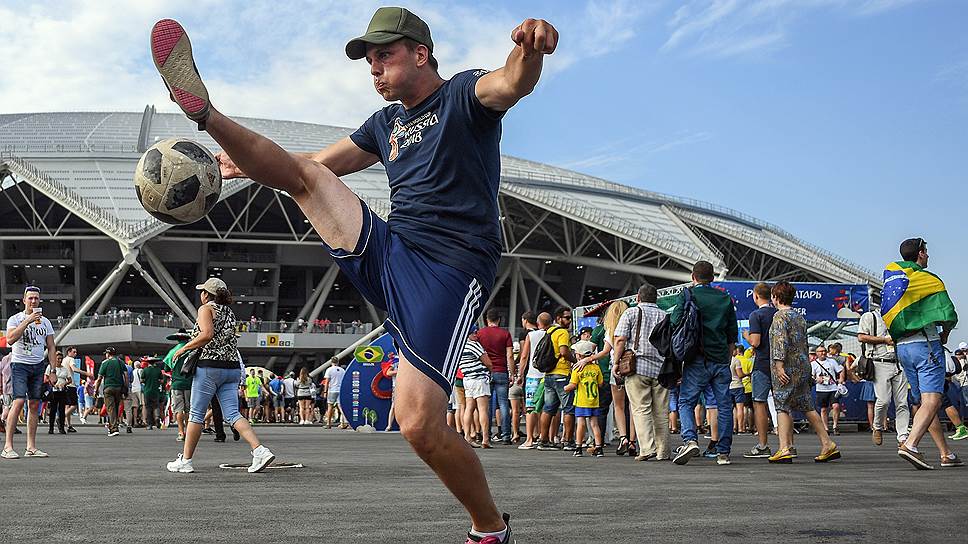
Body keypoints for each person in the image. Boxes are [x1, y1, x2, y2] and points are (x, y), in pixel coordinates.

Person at [152, 7, 557, 539]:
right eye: (369, 61)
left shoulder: (462, 94)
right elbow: (317, 164)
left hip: (450, 269)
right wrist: (240, 161)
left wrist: (529, 50)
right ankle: (208, 114)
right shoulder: (385, 124)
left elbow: (510, 83)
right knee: (306, 178)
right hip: (392, 250)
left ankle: (489, 527)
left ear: (420, 54)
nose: (374, 69)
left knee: (419, 427)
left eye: (383, 56)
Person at [166, 278, 274, 473]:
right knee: (232, 413)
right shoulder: (230, 313)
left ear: (207, 294)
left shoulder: (206, 309)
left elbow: (206, 334)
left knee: (197, 414)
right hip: (231, 368)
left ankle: (186, 460)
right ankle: (259, 450)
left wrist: (183, 349)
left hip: (209, 367)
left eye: (202, 292)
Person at [884, 238, 962, 469]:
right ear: (920, 253)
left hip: (903, 347)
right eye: (926, 252)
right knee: (933, 399)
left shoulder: (894, 277)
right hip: (926, 345)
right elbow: (948, 313)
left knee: (923, 402)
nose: (928, 256)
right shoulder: (928, 280)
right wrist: (946, 332)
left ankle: (945, 453)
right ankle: (910, 444)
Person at [670, 262, 738, 466]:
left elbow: (675, 321)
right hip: (720, 359)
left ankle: (690, 440)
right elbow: (732, 333)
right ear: (712, 278)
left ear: (693, 277)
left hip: (697, 358)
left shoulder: (688, 295)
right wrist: (727, 358)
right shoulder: (724, 297)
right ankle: (723, 452)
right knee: (724, 405)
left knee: (686, 401)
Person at [766, 281, 841, 463]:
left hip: (787, 367)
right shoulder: (799, 317)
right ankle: (827, 443)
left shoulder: (779, 317)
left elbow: (780, 342)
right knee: (807, 406)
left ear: (775, 297)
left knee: (782, 404)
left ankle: (784, 448)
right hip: (803, 366)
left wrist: (778, 365)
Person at [612, 284, 670, 461]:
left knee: (640, 408)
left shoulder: (630, 313)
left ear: (638, 297)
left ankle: (647, 448)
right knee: (661, 411)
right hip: (661, 368)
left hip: (637, 367)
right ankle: (663, 451)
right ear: (656, 298)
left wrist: (616, 363)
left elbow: (620, 339)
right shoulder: (665, 315)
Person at [3, 286, 55, 459]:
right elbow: (10, 339)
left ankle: (31, 447)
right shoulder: (15, 319)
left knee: (34, 404)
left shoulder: (46, 322)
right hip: (20, 365)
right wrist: (27, 321)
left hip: (38, 365)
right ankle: (7, 447)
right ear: (24, 300)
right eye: (30, 298)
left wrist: (53, 369)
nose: (34, 301)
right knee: (18, 401)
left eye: (36, 298)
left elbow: (51, 346)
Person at [742, 282, 776, 458]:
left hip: (762, 364)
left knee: (759, 403)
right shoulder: (778, 314)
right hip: (779, 365)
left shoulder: (756, 315)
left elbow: (755, 342)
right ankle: (788, 444)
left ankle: (763, 445)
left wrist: (746, 335)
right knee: (782, 406)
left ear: (755, 296)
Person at [538, 307, 577, 451]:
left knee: (548, 408)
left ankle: (543, 440)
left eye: (570, 318)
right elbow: (563, 352)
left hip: (549, 374)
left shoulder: (549, 331)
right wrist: (574, 360)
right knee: (569, 409)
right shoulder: (562, 332)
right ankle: (568, 441)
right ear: (558, 318)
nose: (569, 321)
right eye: (567, 318)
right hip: (562, 374)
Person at [476, 309, 514, 445]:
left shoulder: (480, 334)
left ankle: (486, 435)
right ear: (499, 320)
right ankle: (506, 436)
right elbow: (509, 355)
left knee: (485, 405)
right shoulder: (505, 334)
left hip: (485, 372)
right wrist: (512, 373)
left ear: (487, 320)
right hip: (501, 371)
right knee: (503, 404)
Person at [564, 348, 605, 458]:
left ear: (579, 355)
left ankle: (578, 447)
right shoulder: (596, 368)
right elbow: (601, 383)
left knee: (581, 423)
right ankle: (599, 447)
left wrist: (565, 388)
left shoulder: (577, 368)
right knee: (594, 424)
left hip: (581, 401)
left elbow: (572, 385)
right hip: (594, 400)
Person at [516, 312, 548, 449]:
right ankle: (542, 436)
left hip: (533, 375)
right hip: (547, 374)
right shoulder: (550, 334)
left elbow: (524, 357)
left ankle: (529, 439)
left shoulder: (531, 335)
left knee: (531, 408)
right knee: (544, 408)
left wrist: (520, 374)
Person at [460, 326, 494, 449]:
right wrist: (491, 372)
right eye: (473, 333)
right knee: (483, 409)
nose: (476, 335)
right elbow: (488, 362)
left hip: (467, 379)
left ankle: (467, 436)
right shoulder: (475, 345)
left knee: (469, 408)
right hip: (479, 379)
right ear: (468, 334)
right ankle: (485, 439)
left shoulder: (460, 346)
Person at [165, 329, 193, 441]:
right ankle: (189, 432)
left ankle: (181, 432)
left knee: (178, 409)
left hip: (176, 383)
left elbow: (167, 368)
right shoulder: (192, 350)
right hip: (189, 383)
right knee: (188, 409)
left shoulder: (172, 352)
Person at [93, 348, 128, 437]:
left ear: (108, 354)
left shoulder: (105, 363)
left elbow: (99, 378)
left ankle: (114, 429)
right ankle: (113, 425)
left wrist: (96, 390)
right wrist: (126, 387)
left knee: (110, 408)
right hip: (118, 388)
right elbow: (126, 376)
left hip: (108, 388)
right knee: (115, 408)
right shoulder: (120, 362)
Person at [811, 346, 845, 434]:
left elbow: (841, 370)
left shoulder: (832, 361)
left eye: (824, 351)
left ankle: (835, 426)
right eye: (820, 351)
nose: (823, 353)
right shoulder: (813, 364)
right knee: (823, 409)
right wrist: (816, 379)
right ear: (817, 353)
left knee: (836, 406)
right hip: (821, 389)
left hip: (833, 388)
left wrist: (841, 379)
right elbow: (811, 376)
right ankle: (825, 428)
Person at [61, 346, 91, 432]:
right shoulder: (71, 359)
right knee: (74, 405)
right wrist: (86, 373)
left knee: (67, 405)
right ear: (69, 352)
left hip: (65, 384)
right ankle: (61, 419)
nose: (75, 354)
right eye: (74, 352)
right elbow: (74, 369)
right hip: (71, 385)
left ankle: (69, 425)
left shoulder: (64, 360)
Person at [45, 351, 70, 435]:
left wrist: (64, 383)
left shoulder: (64, 369)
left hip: (62, 391)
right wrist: (52, 384)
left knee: (62, 410)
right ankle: (51, 428)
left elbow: (69, 380)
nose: (59, 360)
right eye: (58, 358)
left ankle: (62, 428)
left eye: (61, 359)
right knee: (53, 410)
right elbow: (46, 378)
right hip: (53, 391)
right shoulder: (50, 367)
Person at [141, 355, 164, 430]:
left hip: (147, 391)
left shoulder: (145, 370)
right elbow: (161, 381)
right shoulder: (158, 370)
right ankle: (157, 418)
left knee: (148, 407)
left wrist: (146, 381)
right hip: (155, 391)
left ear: (148, 363)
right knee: (156, 406)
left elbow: (142, 380)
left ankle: (149, 425)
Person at [324, 361, 347, 429]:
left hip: (332, 390)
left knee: (330, 406)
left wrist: (325, 392)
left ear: (331, 362)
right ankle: (345, 422)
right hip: (340, 390)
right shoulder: (342, 370)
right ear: (338, 362)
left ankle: (328, 424)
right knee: (341, 407)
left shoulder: (329, 369)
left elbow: (327, 381)